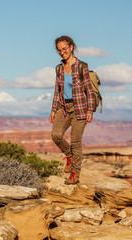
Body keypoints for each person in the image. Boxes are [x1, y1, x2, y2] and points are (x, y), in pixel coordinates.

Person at [49, 35, 95, 185]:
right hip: (63, 107)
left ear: (71, 47)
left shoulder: (82, 66)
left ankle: (75, 174)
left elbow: (89, 89)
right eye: (59, 51)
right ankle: (68, 155)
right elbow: (57, 90)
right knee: (56, 135)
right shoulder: (59, 68)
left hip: (80, 108)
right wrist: (53, 109)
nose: (62, 52)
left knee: (75, 141)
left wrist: (90, 110)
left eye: (64, 49)